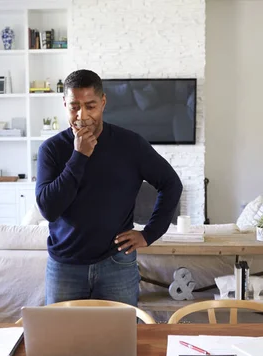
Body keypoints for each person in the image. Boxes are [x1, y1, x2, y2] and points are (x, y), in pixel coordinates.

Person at [35, 69, 183, 306]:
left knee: (120, 338)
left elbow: (171, 184)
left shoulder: (130, 144)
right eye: (74, 106)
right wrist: (79, 156)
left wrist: (149, 233)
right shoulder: (51, 150)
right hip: (65, 265)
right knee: (61, 340)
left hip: (116, 263)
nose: (82, 115)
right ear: (64, 104)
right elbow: (48, 210)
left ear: (103, 103)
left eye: (90, 106)